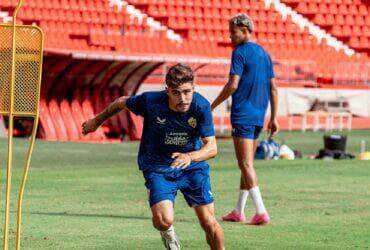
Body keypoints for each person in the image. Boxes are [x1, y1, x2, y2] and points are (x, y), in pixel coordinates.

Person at [82, 64, 224, 249]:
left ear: (193, 88)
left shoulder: (200, 106)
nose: (183, 98)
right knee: (164, 220)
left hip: (192, 166)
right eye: (176, 93)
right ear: (167, 91)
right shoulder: (150, 102)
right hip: (158, 167)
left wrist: (189, 157)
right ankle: (167, 233)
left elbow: (212, 148)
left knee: (209, 222)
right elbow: (121, 102)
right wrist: (95, 121)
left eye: (187, 92)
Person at [211, 14, 279, 225]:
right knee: (245, 164)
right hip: (259, 116)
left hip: (243, 115)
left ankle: (261, 211)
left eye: (233, 31)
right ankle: (239, 211)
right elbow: (274, 88)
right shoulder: (264, 54)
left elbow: (232, 85)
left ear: (245, 30)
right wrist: (274, 118)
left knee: (245, 164)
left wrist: (211, 106)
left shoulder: (239, 53)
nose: (230, 35)